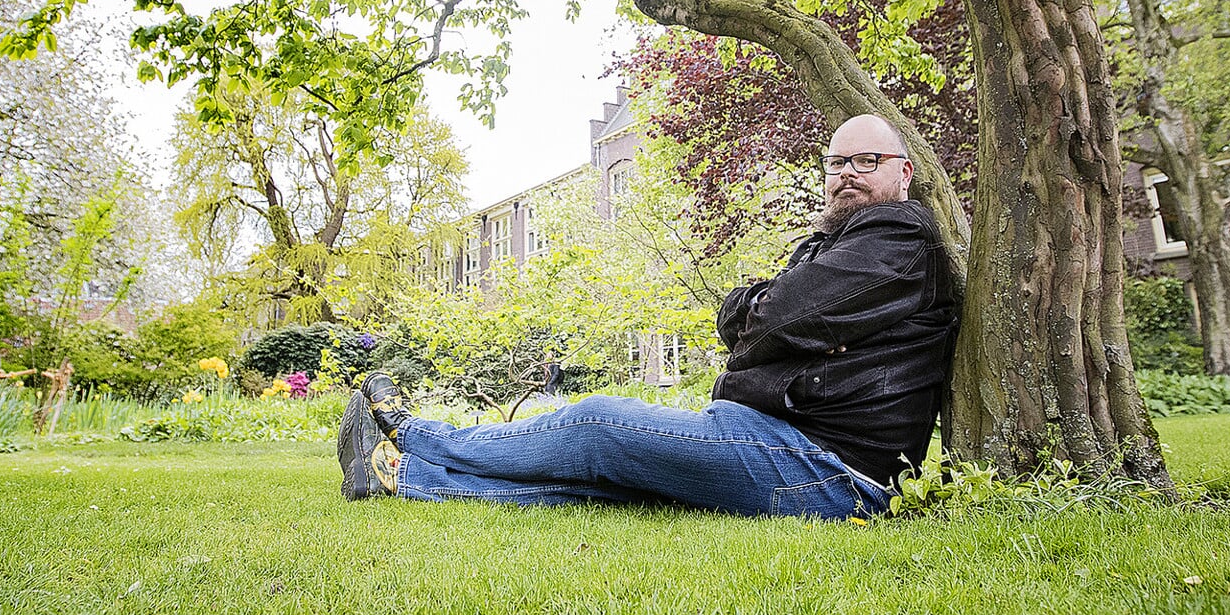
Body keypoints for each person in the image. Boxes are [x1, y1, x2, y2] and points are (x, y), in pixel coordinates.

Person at [335, 113, 959, 520]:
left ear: (902, 173)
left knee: (597, 424)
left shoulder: (898, 238)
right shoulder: (837, 244)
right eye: (835, 163)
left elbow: (769, 323)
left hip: (826, 470)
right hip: (785, 444)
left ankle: (412, 432)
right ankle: (399, 478)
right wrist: (765, 314)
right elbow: (760, 316)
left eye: (865, 161)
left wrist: (764, 315)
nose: (846, 174)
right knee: (599, 481)